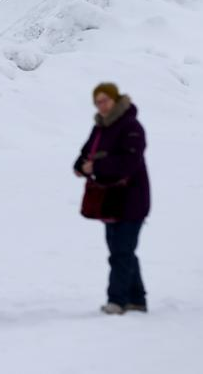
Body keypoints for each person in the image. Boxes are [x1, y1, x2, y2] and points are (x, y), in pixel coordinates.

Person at [74, 83, 150, 316]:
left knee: (121, 252)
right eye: (97, 102)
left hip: (132, 198)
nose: (102, 105)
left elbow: (129, 162)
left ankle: (117, 301)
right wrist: (81, 166)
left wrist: (96, 166)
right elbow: (86, 153)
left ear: (115, 100)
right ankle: (137, 299)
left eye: (105, 100)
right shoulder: (100, 127)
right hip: (109, 199)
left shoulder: (131, 126)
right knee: (122, 251)